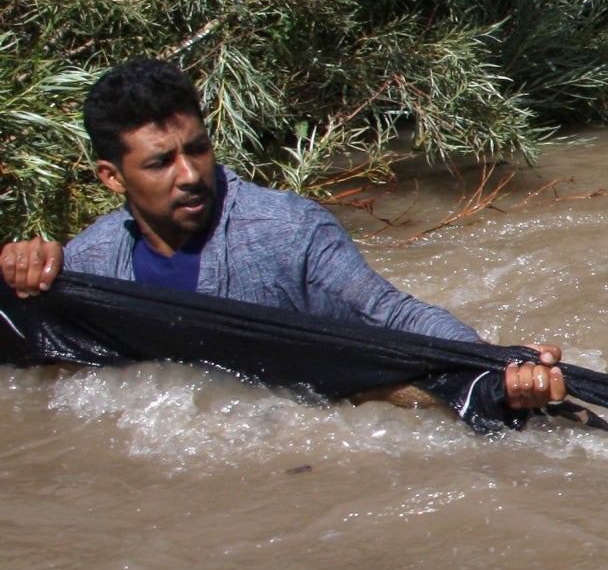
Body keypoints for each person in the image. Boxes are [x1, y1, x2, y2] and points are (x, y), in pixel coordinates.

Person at [0, 57, 565, 410]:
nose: (190, 174)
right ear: (110, 176)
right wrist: (23, 272)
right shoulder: (88, 264)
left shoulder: (286, 230)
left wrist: (495, 365)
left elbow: (389, 313)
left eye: (198, 148)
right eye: (160, 163)